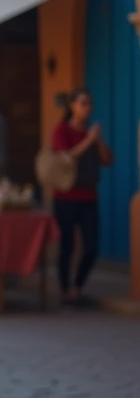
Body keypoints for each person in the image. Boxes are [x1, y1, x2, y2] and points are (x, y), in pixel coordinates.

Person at [51, 89, 113, 307]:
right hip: (65, 196)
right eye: (83, 103)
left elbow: (107, 160)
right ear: (72, 106)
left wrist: (98, 142)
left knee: (92, 246)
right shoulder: (62, 130)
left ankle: (78, 287)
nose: (87, 107)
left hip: (89, 196)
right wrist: (88, 140)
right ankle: (65, 291)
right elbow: (66, 156)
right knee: (67, 245)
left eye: (90, 103)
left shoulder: (92, 133)